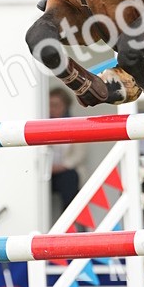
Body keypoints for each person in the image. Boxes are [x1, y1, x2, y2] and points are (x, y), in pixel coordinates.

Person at [47, 88, 87, 217]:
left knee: (70, 178)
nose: (52, 109)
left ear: (65, 106)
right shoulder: (41, 125)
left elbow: (79, 154)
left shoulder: (75, 125)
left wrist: (61, 166)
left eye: (56, 105)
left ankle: (69, 221)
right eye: (49, 105)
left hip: (65, 171)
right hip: (46, 172)